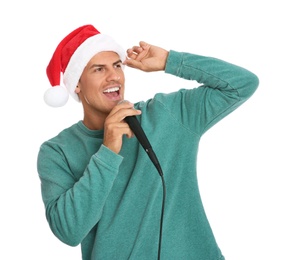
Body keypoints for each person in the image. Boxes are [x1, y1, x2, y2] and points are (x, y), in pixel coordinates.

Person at [37, 24, 259, 260]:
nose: (114, 76)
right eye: (98, 69)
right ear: (77, 84)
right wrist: (108, 151)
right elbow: (69, 232)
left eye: (117, 66)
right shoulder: (57, 151)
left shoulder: (166, 115)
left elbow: (242, 84)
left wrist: (171, 61)